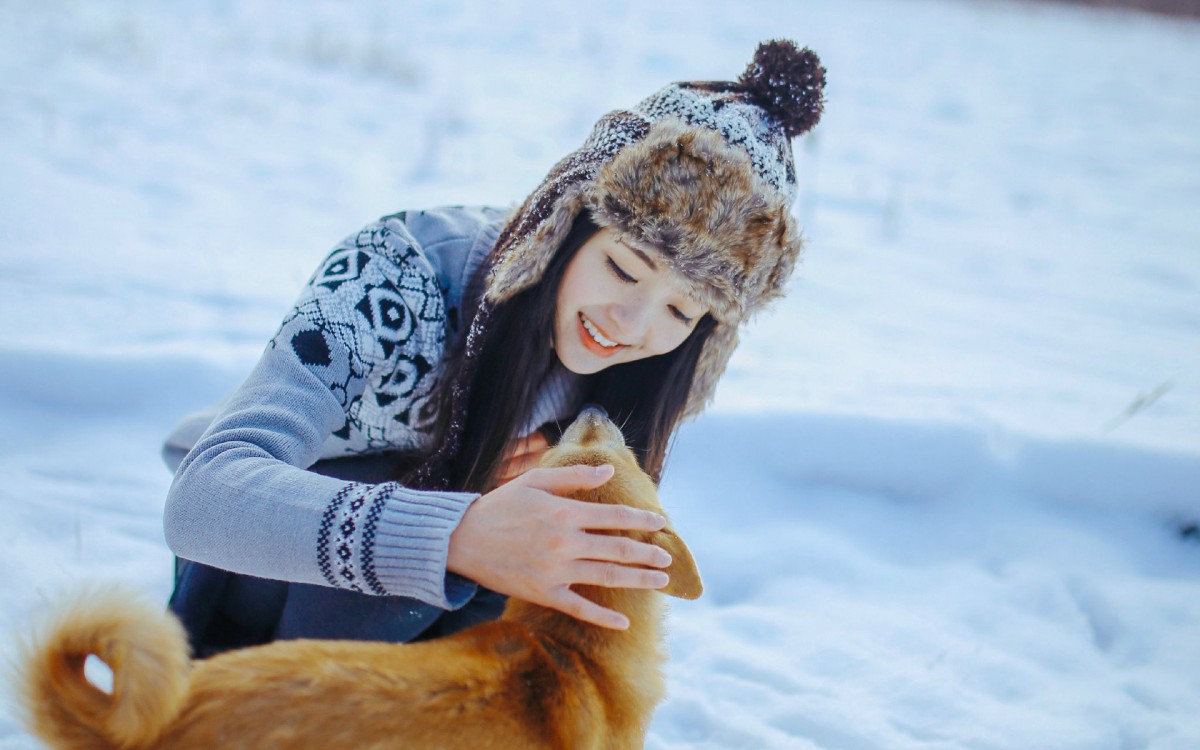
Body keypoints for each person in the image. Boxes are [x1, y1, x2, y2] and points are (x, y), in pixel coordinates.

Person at [161, 39, 826, 656]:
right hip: (253, 578)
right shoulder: (399, 272)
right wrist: (458, 527)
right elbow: (204, 497)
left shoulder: (633, 382)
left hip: (424, 628)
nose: (631, 325)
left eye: (683, 309)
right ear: (563, 224)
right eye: (624, 268)